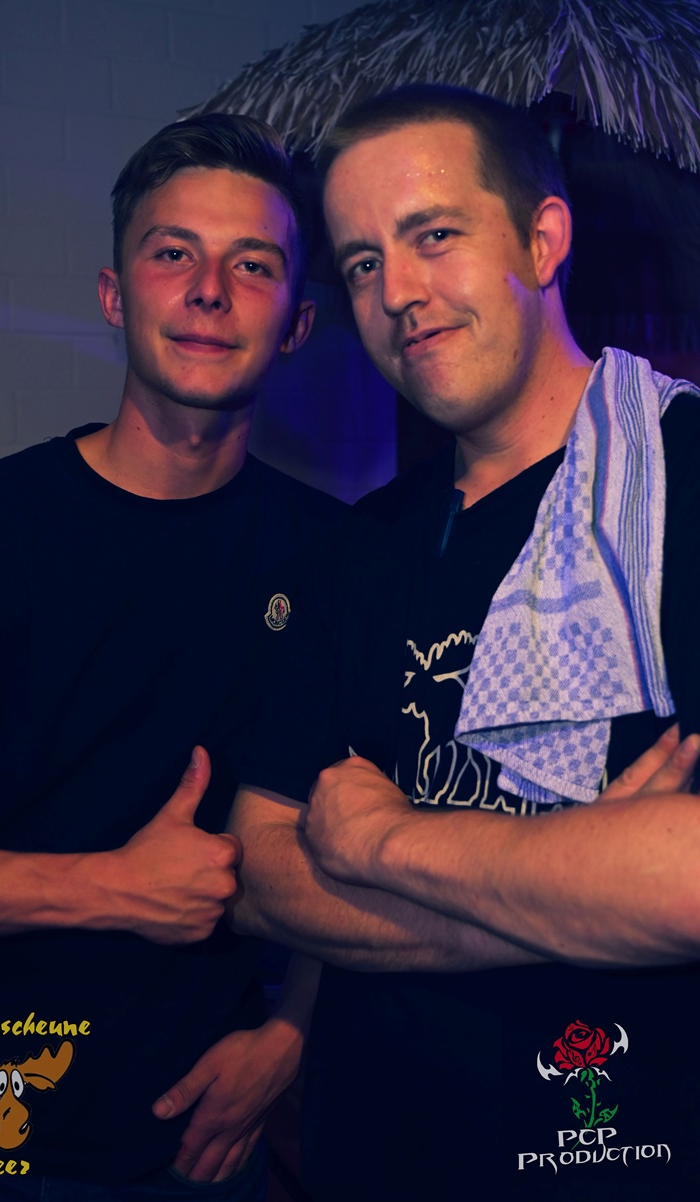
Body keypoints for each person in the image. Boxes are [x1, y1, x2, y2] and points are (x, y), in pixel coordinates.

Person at [230, 84, 700, 1200]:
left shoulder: (678, 477)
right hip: (375, 1159)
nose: (395, 291)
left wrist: (382, 838)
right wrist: (579, 891)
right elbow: (259, 871)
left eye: (432, 234)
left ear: (542, 239)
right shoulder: (353, 549)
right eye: (360, 262)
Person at [0, 112, 344, 1200]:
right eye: (172, 252)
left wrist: (290, 1033)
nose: (209, 291)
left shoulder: (338, 561)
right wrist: (107, 887)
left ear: (296, 323)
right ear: (113, 295)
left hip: (204, 1143)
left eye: (253, 265)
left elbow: (357, 829)